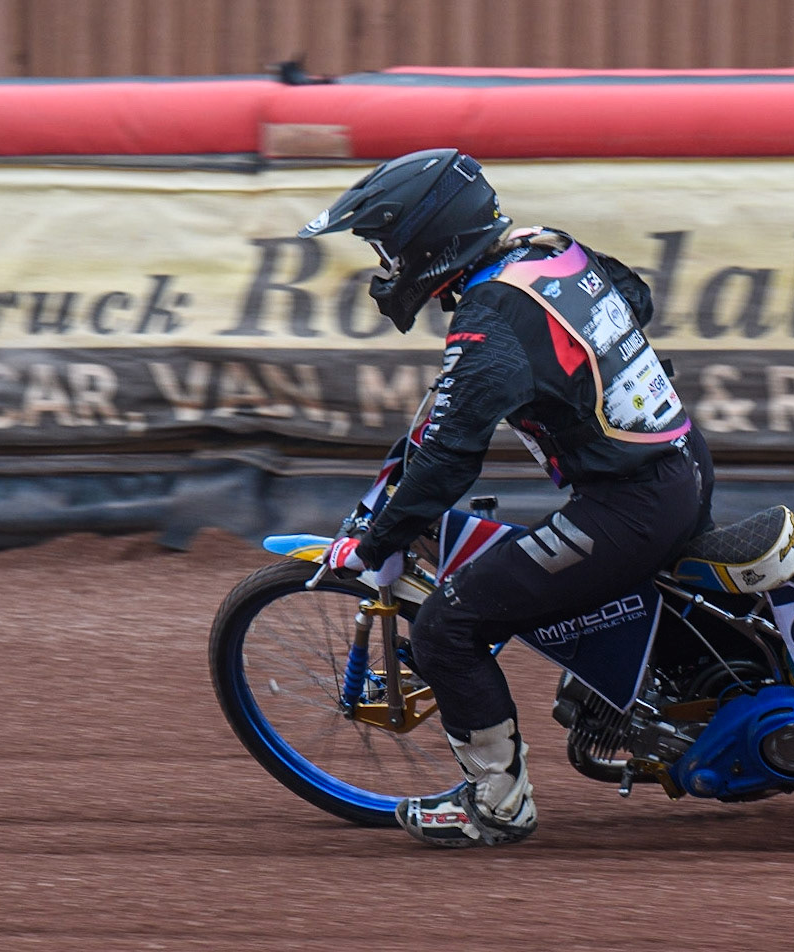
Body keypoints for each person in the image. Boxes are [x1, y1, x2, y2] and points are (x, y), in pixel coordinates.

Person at [299, 148, 715, 848]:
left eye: (388, 247)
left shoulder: (489, 316)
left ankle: (496, 802)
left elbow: (450, 461)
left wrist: (376, 546)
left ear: (427, 238)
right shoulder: (546, 249)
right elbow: (634, 296)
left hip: (632, 505)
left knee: (445, 627)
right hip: (681, 461)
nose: (387, 266)